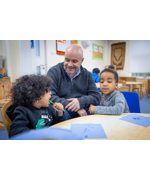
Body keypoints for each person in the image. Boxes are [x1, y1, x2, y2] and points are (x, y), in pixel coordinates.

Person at [47, 44, 100, 119]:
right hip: (63, 110)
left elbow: (96, 97)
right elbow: (49, 96)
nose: (70, 64)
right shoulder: (54, 72)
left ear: (82, 61)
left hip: (84, 110)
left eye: (74, 61)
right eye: (67, 60)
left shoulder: (87, 75)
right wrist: (74, 107)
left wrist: (80, 102)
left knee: (97, 109)